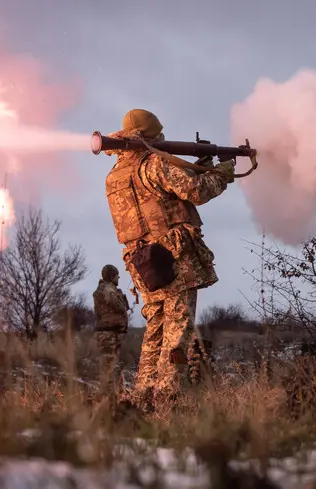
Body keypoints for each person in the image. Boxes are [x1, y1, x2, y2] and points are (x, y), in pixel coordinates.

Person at [103, 108, 235, 412]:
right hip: (173, 256)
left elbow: (159, 197)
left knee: (156, 327)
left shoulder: (115, 176)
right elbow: (196, 191)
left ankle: (143, 395)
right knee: (179, 327)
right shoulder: (154, 164)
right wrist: (221, 174)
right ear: (151, 136)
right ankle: (167, 398)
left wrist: (198, 167)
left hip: (142, 261)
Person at [92, 264, 131, 393]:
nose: (118, 278)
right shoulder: (108, 289)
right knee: (108, 367)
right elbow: (119, 307)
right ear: (112, 276)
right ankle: (107, 399)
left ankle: (110, 397)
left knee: (109, 366)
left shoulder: (103, 289)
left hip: (108, 333)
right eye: (117, 276)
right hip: (108, 334)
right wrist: (120, 297)